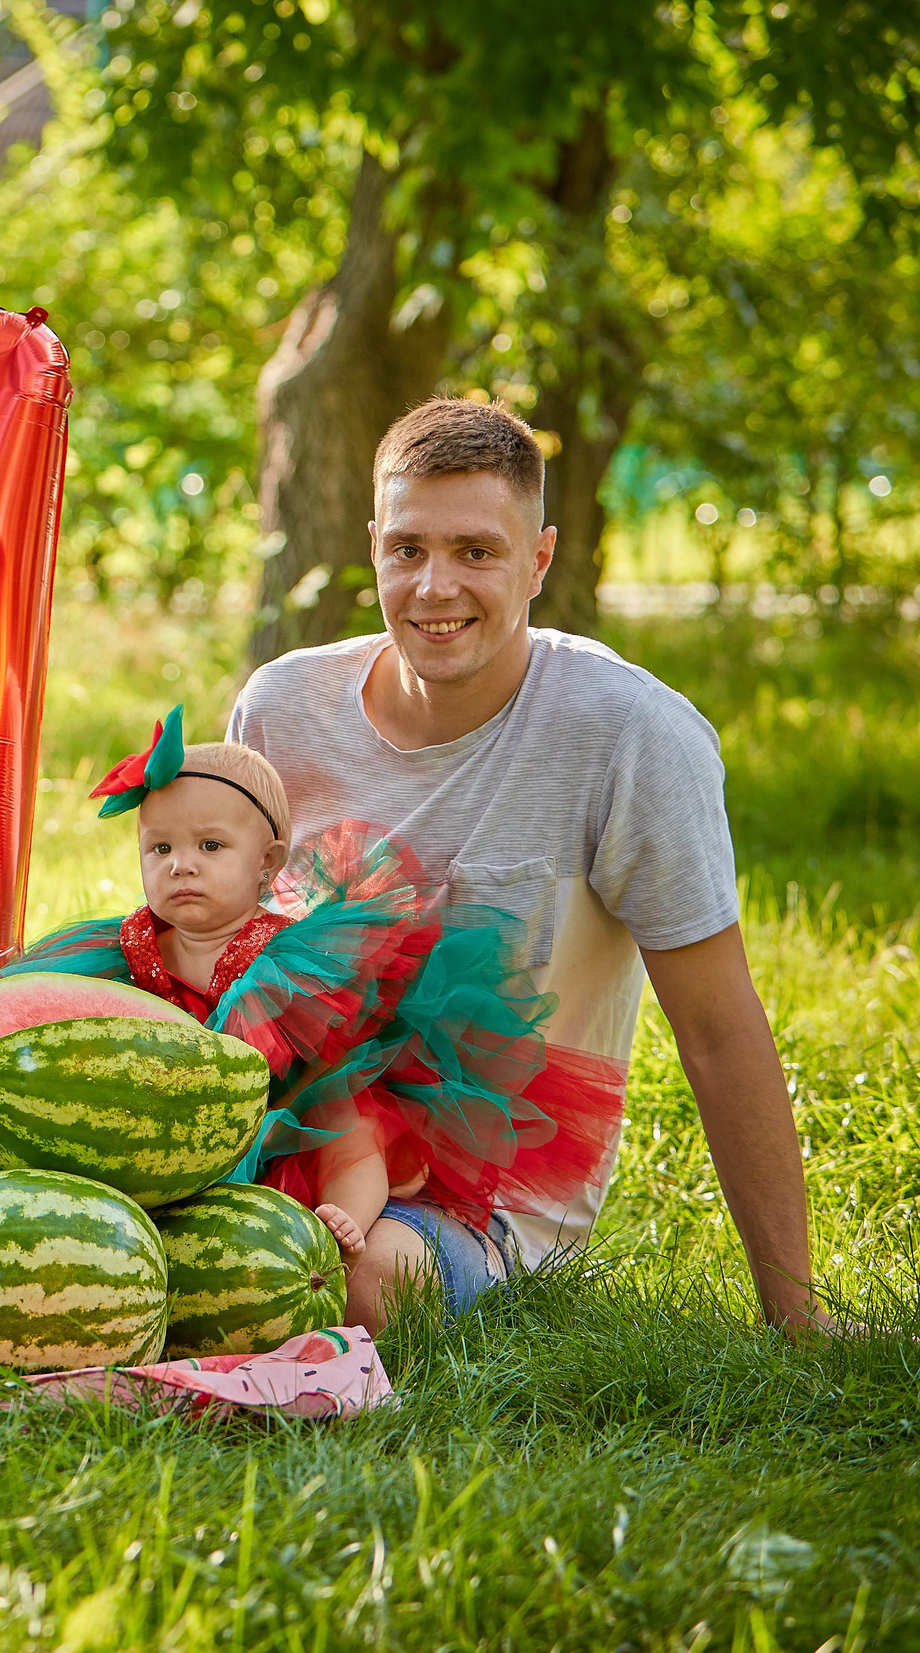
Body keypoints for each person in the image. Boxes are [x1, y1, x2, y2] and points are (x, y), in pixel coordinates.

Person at [229, 397, 826, 1332]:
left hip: (483, 1190)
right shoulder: (282, 706)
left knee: (348, 1286)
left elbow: (717, 1029)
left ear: (538, 559)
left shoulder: (629, 734)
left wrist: (797, 1316)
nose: (435, 589)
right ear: (374, 543)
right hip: (293, 1129)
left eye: (477, 552)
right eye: (409, 550)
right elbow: (228, 941)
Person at [9, 706, 618, 1284]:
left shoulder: (294, 963)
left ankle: (346, 1214)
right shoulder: (122, 954)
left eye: (210, 846)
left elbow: (327, 1062)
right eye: (160, 848)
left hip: (289, 1109)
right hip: (170, 1118)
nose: (181, 866)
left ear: (267, 865)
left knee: (349, 1117)